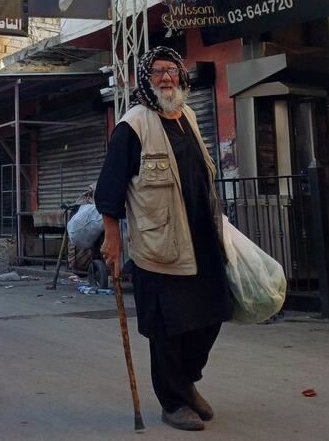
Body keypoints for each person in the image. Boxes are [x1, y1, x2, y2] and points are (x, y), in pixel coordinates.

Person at [94, 46, 233, 432]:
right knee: (168, 326)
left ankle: (186, 383)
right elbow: (110, 187)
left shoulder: (187, 115)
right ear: (146, 80)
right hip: (159, 245)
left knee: (212, 313)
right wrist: (112, 238)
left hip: (201, 237)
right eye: (157, 72)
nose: (167, 78)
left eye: (172, 70)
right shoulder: (132, 126)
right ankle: (172, 402)